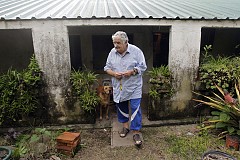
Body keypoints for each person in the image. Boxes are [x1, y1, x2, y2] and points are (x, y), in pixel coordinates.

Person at [104, 31, 147, 146]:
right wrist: (113, 74)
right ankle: (125, 127)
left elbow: (143, 67)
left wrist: (133, 71)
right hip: (119, 86)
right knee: (121, 107)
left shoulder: (136, 51)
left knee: (135, 108)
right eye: (114, 43)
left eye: (118, 43)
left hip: (134, 86)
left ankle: (136, 131)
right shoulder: (112, 52)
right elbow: (106, 68)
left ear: (126, 42)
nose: (116, 45)